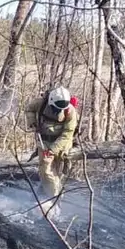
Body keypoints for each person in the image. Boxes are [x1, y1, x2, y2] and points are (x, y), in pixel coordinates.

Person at [24, 86, 79, 215]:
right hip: (44, 142)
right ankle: (54, 201)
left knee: (57, 173)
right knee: (46, 171)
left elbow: (68, 133)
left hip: (62, 144)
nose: (59, 110)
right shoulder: (40, 103)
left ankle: (43, 198)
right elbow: (29, 109)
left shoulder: (70, 111)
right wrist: (32, 122)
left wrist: (54, 149)